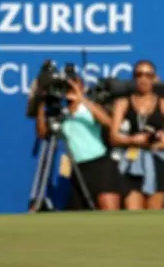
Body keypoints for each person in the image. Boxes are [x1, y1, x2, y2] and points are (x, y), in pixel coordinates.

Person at [35, 74, 123, 211]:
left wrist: (81, 98)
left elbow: (109, 122)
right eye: (67, 88)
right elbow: (42, 133)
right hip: (78, 169)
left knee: (108, 210)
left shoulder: (89, 108)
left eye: (74, 87)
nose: (70, 91)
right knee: (79, 213)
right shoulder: (61, 113)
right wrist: (41, 103)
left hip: (101, 166)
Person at [109, 60, 164, 210]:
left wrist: (152, 144)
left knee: (155, 215)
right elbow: (114, 137)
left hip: (156, 161)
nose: (143, 79)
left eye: (148, 75)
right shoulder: (123, 103)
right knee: (133, 214)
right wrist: (132, 140)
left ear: (155, 78)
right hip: (131, 163)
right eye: (139, 74)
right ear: (134, 78)